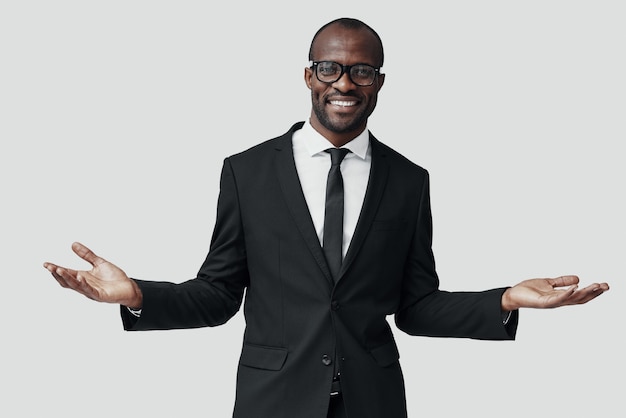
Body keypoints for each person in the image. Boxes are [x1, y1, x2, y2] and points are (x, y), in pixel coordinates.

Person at [43, 17, 609, 418]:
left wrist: (505, 299)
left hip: (374, 401)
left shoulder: (409, 180)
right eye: (330, 68)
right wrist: (137, 293)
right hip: (274, 402)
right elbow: (217, 295)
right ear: (309, 75)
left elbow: (415, 307)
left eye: (362, 72)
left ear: (380, 83)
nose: (345, 83)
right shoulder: (247, 172)